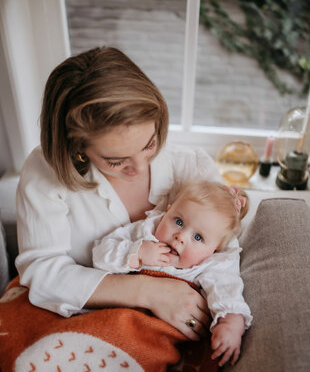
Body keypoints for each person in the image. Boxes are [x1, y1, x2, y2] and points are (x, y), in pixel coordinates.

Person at [16, 46, 238, 342]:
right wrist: (147, 291)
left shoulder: (191, 168)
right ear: (77, 148)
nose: (140, 167)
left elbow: (224, 256)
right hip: (85, 321)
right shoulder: (45, 174)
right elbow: (42, 270)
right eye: (116, 161)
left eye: (149, 144)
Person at [92, 180, 252, 367]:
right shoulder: (145, 232)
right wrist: (137, 253)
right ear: (167, 211)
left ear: (214, 250)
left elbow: (228, 293)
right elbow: (99, 254)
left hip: (156, 337)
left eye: (198, 237)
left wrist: (230, 326)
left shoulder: (209, 266)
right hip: (114, 315)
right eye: (178, 222)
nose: (180, 237)